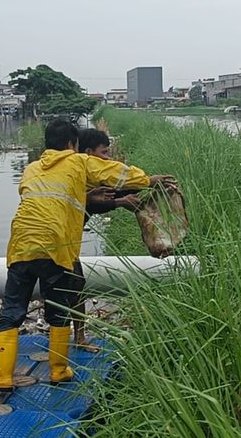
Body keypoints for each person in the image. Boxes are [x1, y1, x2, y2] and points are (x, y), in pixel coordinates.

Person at [0, 120, 172, 392]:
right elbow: (115, 173)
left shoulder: (30, 169)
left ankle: (1, 375)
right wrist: (148, 179)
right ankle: (58, 370)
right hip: (55, 247)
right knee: (58, 308)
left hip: (21, 245)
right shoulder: (79, 163)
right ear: (72, 144)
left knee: (12, 309)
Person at [72, 128, 141, 352]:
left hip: (59, 243)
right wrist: (124, 201)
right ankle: (76, 339)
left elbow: (109, 195)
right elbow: (91, 203)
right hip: (54, 245)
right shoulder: (77, 175)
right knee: (74, 287)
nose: (108, 158)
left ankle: (77, 337)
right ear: (89, 153)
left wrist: (147, 189)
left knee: (73, 287)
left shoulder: (83, 175)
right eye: (104, 153)